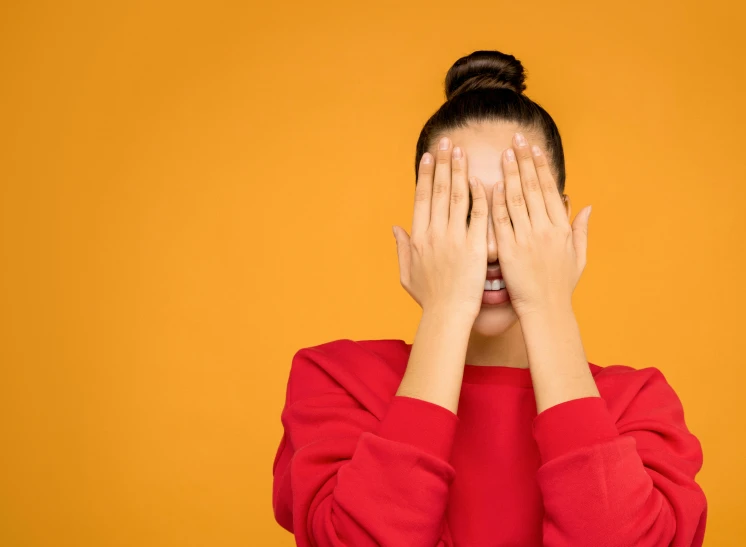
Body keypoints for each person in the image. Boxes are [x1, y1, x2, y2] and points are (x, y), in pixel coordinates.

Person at [271, 50, 707, 546]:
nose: (493, 246)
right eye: (463, 209)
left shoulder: (634, 406)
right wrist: (445, 311)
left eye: (517, 207)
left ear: (559, 222)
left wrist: (548, 307)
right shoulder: (338, 380)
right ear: (423, 225)